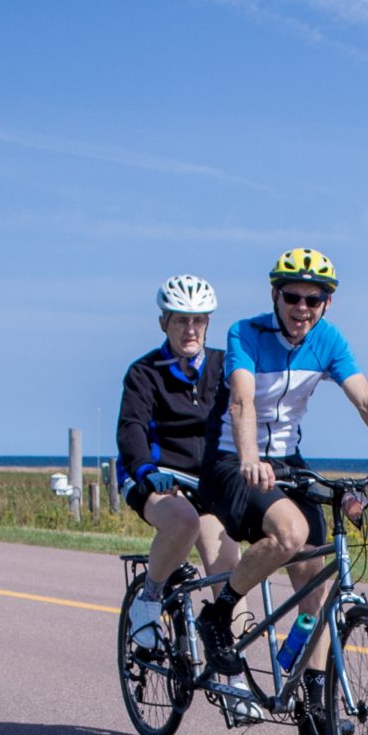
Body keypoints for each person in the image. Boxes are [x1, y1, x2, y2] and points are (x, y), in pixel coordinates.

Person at [194, 247, 368, 735]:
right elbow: (241, 400)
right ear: (275, 296)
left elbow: (365, 400)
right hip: (232, 462)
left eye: (315, 300)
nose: (303, 308)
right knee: (292, 531)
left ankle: (311, 702)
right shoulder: (246, 334)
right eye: (294, 297)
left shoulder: (328, 340)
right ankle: (218, 615)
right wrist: (249, 457)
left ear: (327, 304)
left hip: (286, 464)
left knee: (317, 578)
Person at [117, 274, 239, 654]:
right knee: (183, 522)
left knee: (227, 561)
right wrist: (146, 473)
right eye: (181, 320)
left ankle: (232, 661)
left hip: (208, 481)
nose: (191, 329)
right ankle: (148, 601)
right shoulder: (144, 373)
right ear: (163, 323)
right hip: (156, 477)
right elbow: (131, 428)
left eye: (198, 320)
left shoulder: (224, 367)